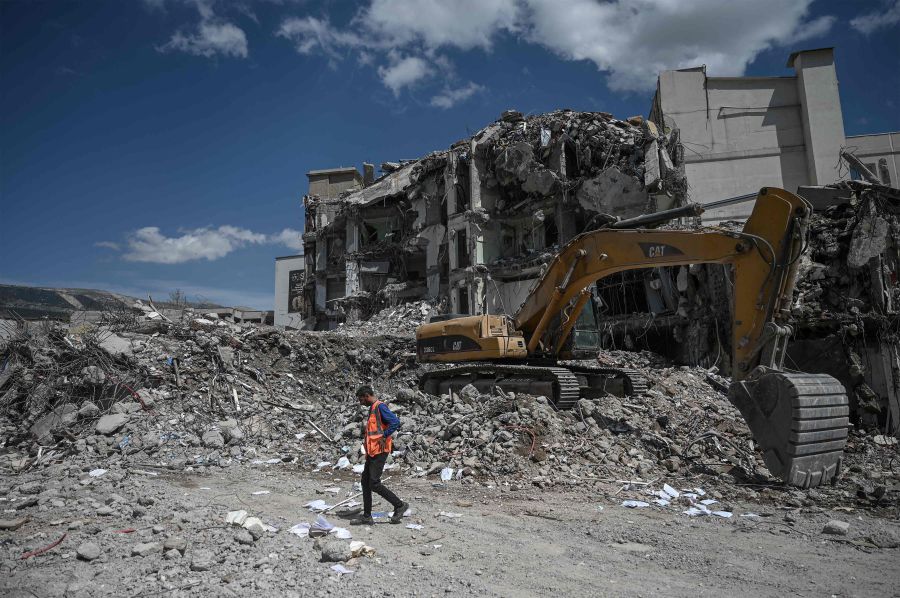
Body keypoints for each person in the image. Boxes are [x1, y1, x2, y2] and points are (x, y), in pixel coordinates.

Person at [351, 385, 409, 525]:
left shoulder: (380, 407)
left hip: (380, 451)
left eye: (361, 399)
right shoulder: (372, 409)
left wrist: (384, 436)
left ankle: (400, 505)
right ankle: (367, 516)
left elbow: (395, 422)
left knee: (374, 483)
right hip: (372, 451)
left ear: (366, 395)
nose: (360, 402)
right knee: (365, 482)